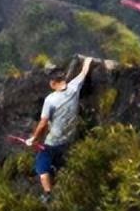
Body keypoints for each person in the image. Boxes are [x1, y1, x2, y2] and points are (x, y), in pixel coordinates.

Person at [25, 56, 94, 201]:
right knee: (59, 158)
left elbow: (43, 124)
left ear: (52, 83)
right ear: (63, 80)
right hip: (70, 138)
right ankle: (58, 168)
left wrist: (34, 139)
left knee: (41, 168)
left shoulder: (50, 100)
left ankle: (48, 194)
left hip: (54, 142)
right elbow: (83, 73)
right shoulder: (74, 87)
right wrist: (87, 61)